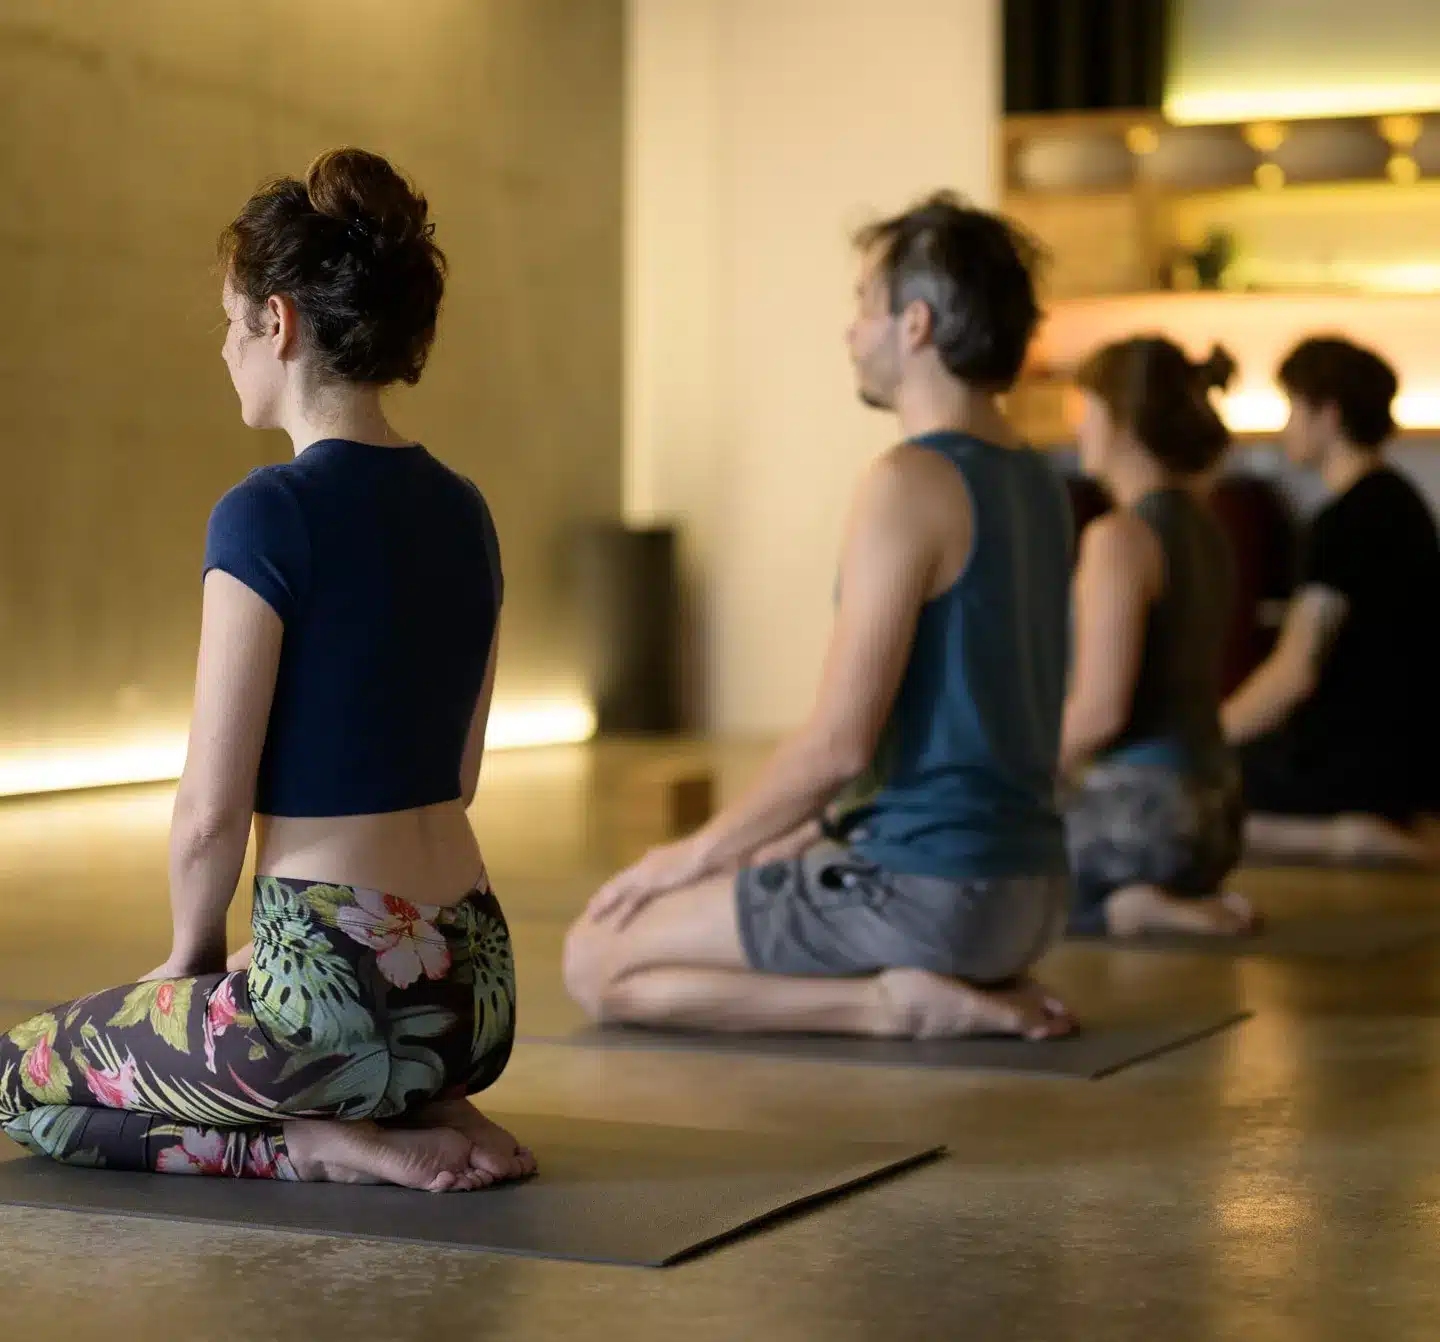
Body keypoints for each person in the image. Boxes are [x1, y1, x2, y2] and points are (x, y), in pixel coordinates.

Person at [0, 148, 533, 1192]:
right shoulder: (465, 511)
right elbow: (457, 775)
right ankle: (414, 1089)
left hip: (326, 1001)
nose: (228, 349)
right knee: (320, 1018)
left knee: (23, 1078)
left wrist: (192, 955)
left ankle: (315, 1142)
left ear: (279, 325)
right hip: (476, 990)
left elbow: (211, 806)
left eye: (232, 323)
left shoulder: (266, 514)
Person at [563, 192, 1075, 1041]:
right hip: (1035, 896)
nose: (850, 332)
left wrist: (685, 857)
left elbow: (837, 745)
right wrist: (774, 845)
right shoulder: (1041, 485)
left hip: (931, 895)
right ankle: (933, 980)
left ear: (915, 325)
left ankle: (890, 1006)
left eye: (862, 305)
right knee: (751, 866)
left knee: (598, 958)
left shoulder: (907, 482)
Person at [1059, 337, 1255, 937]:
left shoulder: (1118, 538)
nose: (1078, 428)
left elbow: (1099, 713)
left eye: (1086, 409)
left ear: (1120, 419)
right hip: (1219, 817)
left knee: (972, 874)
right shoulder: (1207, 528)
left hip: (1144, 819)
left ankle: (1127, 905)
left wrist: (1012, 777)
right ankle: (1174, 897)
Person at [1222, 337, 1440, 864]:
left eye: (1293, 408)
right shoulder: (1405, 504)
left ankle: (1347, 834)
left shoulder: (1341, 523)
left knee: (1196, 804)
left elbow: (1294, 673)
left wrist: (1207, 734)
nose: (1285, 427)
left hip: (1356, 764)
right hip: (1415, 756)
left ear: (1329, 414)